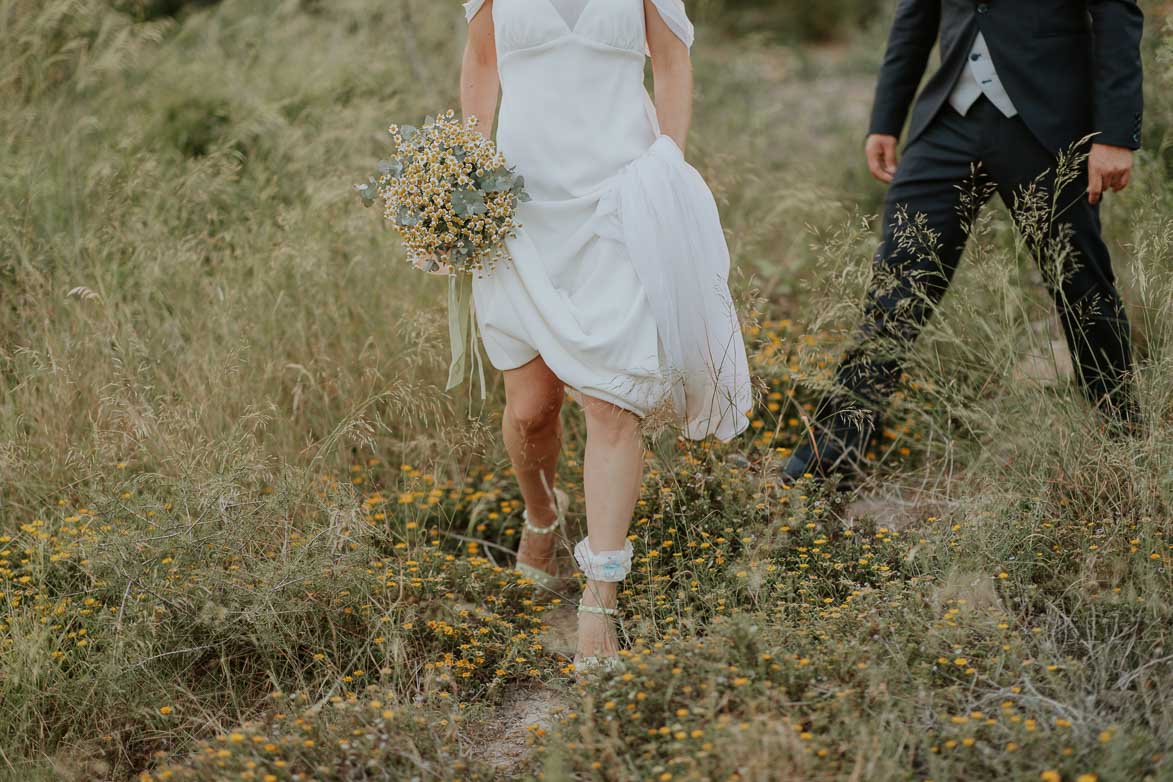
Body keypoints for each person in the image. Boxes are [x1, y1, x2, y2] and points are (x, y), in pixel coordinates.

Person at [460, 0, 751, 672]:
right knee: (532, 411)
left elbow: (673, 65)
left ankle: (599, 599)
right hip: (520, 208)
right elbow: (480, 65)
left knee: (611, 404)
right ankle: (541, 513)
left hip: (619, 202)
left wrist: (666, 162)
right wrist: (463, 179)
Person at [780, 0, 1145, 485]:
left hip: (1048, 122)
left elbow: (1117, 14)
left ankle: (1122, 438)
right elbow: (914, 15)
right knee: (896, 287)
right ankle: (830, 457)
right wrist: (885, 118)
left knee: (1082, 286)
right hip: (949, 121)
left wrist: (1116, 134)